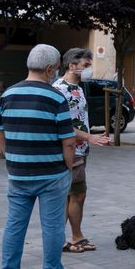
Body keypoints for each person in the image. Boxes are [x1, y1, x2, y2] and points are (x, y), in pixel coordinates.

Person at [0, 44, 77, 269]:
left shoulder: (7, 94)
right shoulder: (55, 97)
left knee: (14, 225)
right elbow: (69, 141)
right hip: (52, 174)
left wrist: (11, 159)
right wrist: (68, 166)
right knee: (52, 227)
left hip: (18, 173)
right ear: (50, 69)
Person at [53, 48, 110, 254]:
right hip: (70, 151)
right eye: (86, 65)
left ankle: (69, 237)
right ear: (71, 66)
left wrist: (91, 136)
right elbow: (63, 125)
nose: (89, 70)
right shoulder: (61, 90)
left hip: (79, 150)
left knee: (73, 195)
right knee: (76, 194)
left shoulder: (77, 87)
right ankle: (72, 238)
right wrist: (90, 137)